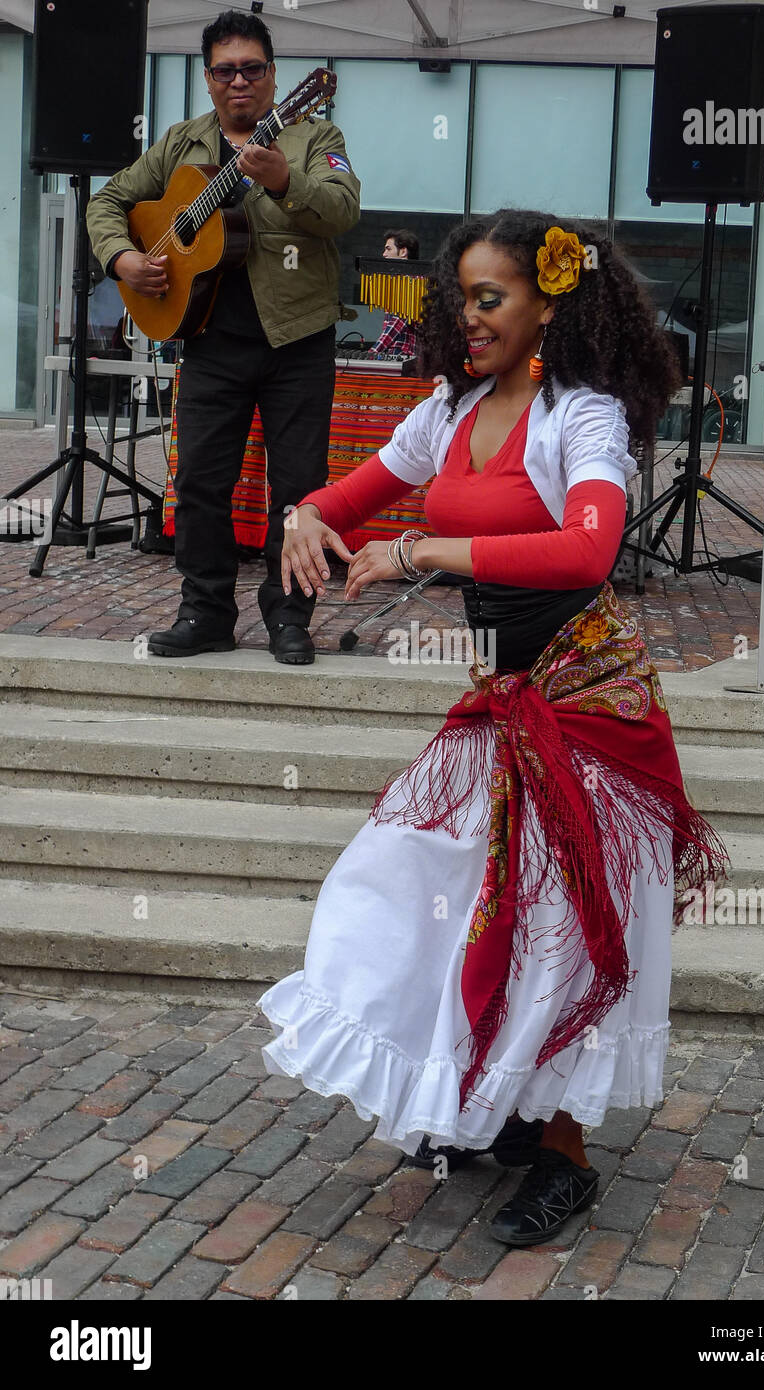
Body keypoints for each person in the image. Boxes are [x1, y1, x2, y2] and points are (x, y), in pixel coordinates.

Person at [258, 209, 729, 1246]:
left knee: (564, 931)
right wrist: (305, 512)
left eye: (489, 297)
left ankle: (560, 1148)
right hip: (506, 696)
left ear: (546, 303)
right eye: (458, 297)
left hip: (592, 707)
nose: (465, 317)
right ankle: (489, 1099)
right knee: (413, 879)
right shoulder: (447, 410)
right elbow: (348, 497)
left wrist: (426, 551)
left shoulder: (583, 418)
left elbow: (586, 554)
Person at [86, 8, 360, 664]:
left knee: (296, 489)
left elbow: (343, 209)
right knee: (201, 483)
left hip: (297, 340)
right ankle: (204, 611)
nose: (240, 81)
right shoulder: (182, 142)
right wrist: (124, 261)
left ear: (274, 77)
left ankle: (290, 617)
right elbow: (109, 201)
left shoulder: (313, 131)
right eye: (225, 70)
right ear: (208, 79)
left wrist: (283, 181)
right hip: (208, 340)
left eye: (253, 69)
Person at [368, 229, 419, 359]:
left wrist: (374, 351)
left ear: (403, 252)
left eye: (388, 249)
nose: (384, 254)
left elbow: (400, 319)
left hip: (404, 354)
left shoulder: (412, 281)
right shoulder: (398, 281)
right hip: (394, 353)